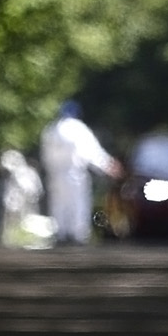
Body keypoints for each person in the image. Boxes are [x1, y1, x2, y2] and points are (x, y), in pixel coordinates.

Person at [38, 102, 119, 246]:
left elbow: (45, 155)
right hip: (73, 173)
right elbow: (91, 152)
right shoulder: (78, 128)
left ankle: (60, 234)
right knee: (78, 203)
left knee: (58, 204)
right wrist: (108, 165)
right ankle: (77, 236)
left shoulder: (51, 129)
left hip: (55, 173)